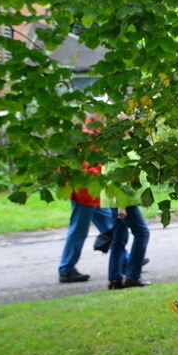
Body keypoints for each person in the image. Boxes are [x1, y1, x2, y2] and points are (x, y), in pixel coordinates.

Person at [57, 116, 114, 283]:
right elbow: (87, 168)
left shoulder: (94, 136)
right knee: (79, 232)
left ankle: (124, 261)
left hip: (92, 194)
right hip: (85, 194)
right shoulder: (90, 137)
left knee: (112, 227)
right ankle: (66, 269)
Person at [105, 196, 151, 289]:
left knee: (119, 238)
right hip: (124, 200)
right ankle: (132, 276)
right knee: (142, 233)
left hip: (114, 198)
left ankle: (115, 279)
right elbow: (123, 182)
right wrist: (122, 207)